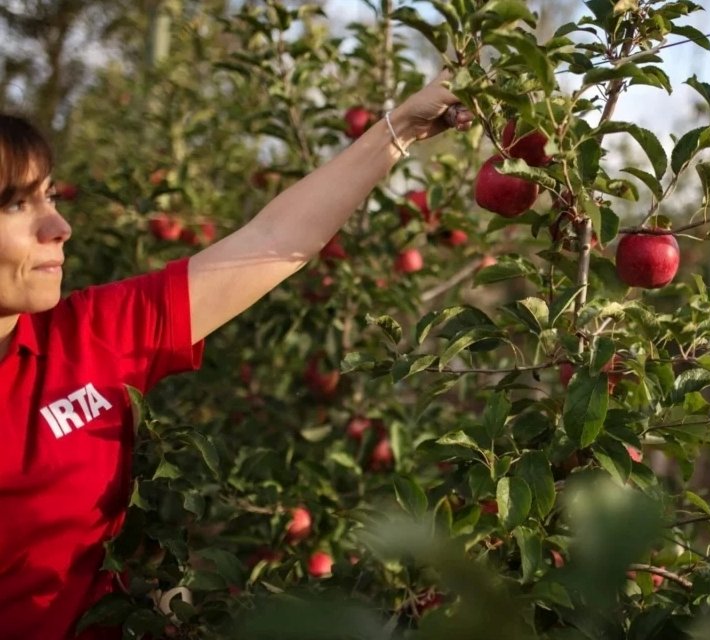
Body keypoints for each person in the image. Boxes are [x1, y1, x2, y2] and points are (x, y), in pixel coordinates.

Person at [0, 73, 472, 640]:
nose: (60, 226)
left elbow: (272, 240)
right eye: (18, 205)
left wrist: (399, 129)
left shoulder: (89, 335)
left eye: (50, 196)